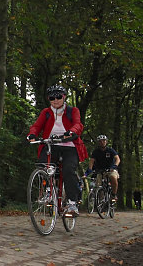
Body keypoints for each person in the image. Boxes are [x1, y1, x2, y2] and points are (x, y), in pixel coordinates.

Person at [27, 84, 88, 216]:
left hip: (70, 146)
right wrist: (32, 134)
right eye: (52, 97)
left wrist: (71, 132)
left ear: (64, 97)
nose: (55, 100)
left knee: (68, 170)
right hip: (51, 144)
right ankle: (48, 191)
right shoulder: (46, 112)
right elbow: (37, 126)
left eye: (58, 97)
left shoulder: (73, 111)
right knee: (43, 165)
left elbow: (78, 124)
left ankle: (72, 203)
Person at [85, 135, 120, 201]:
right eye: (100, 141)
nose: (102, 142)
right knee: (98, 185)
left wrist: (115, 166)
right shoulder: (96, 152)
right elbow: (92, 161)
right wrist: (90, 169)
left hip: (111, 169)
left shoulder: (110, 150)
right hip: (100, 170)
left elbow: (117, 159)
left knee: (113, 178)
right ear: (98, 142)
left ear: (106, 141)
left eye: (104, 141)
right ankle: (101, 202)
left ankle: (113, 194)